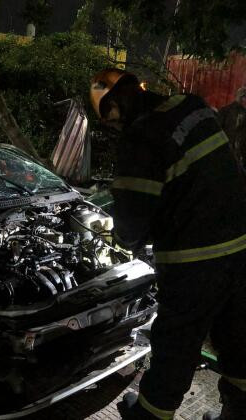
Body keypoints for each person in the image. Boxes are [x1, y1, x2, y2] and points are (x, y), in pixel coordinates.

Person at [90, 68, 246, 420]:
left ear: (113, 109)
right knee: (238, 341)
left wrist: (118, 237)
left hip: (195, 263)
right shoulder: (195, 107)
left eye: (110, 120)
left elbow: (131, 225)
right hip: (241, 248)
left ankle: (149, 414)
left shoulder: (142, 137)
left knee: (175, 347)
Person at [218, 87, 246, 167]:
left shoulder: (225, 110)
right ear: (241, 97)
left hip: (234, 151)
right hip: (229, 149)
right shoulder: (226, 110)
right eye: (244, 97)